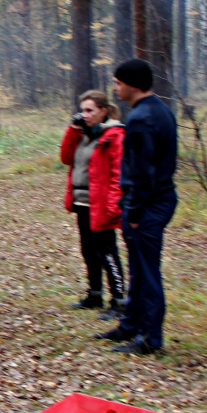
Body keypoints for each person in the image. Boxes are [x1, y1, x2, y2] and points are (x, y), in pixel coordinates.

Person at [95, 59, 178, 355]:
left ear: (131, 84)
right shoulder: (158, 109)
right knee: (138, 269)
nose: (114, 87)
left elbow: (143, 173)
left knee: (146, 271)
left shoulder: (142, 118)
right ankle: (130, 325)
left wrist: (135, 211)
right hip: (155, 201)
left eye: (117, 82)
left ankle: (150, 338)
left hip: (149, 205)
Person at [60, 90, 126, 317]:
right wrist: (73, 130)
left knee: (107, 251)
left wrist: (113, 205)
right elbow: (66, 158)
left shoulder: (114, 135)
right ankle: (95, 293)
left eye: (90, 110)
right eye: (82, 110)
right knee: (88, 250)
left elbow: (118, 174)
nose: (85, 115)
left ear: (103, 111)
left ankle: (119, 299)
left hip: (101, 204)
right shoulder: (83, 135)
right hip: (82, 202)